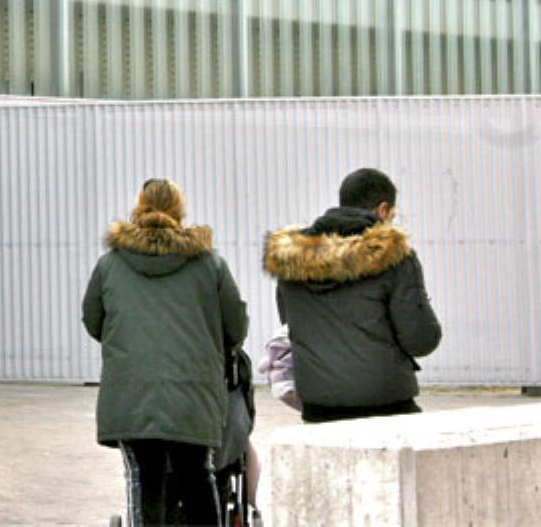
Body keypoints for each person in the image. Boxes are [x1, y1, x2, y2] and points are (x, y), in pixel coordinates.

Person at [83, 178, 248, 527]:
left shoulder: (110, 264)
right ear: (179, 210)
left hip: (132, 393)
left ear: (138, 208)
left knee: (146, 480)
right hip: (193, 392)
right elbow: (235, 328)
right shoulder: (209, 264)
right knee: (197, 475)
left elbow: (93, 320)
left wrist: (131, 344)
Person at [261, 167, 442, 423]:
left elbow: (290, 325)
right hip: (386, 404)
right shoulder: (396, 258)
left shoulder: (290, 260)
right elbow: (421, 340)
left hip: (319, 407)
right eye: (392, 215)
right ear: (382, 210)